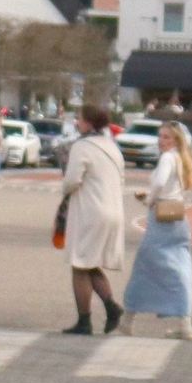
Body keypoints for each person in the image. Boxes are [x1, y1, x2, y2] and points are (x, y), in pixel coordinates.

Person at [57, 105, 127, 335]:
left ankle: (84, 321)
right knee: (90, 262)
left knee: (79, 264)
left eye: (79, 119)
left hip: (91, 212)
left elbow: (72, 181)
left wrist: (64, 187)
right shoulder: (112, 147)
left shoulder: (82, 146)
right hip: (113, 210)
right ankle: (111, 308)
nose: (77, 123)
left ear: (88, 122)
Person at [126, 122, 192, 338]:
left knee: (144, 266)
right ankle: (184, 322)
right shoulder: (181, 158)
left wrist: (149, 199)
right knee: (180, 267)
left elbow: (159, 183)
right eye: (160, 136)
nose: (161, 141)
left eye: (166, 137)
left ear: (176, 140)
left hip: (161, 220)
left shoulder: (167, 158)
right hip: (178, 219)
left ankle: (128, 319)